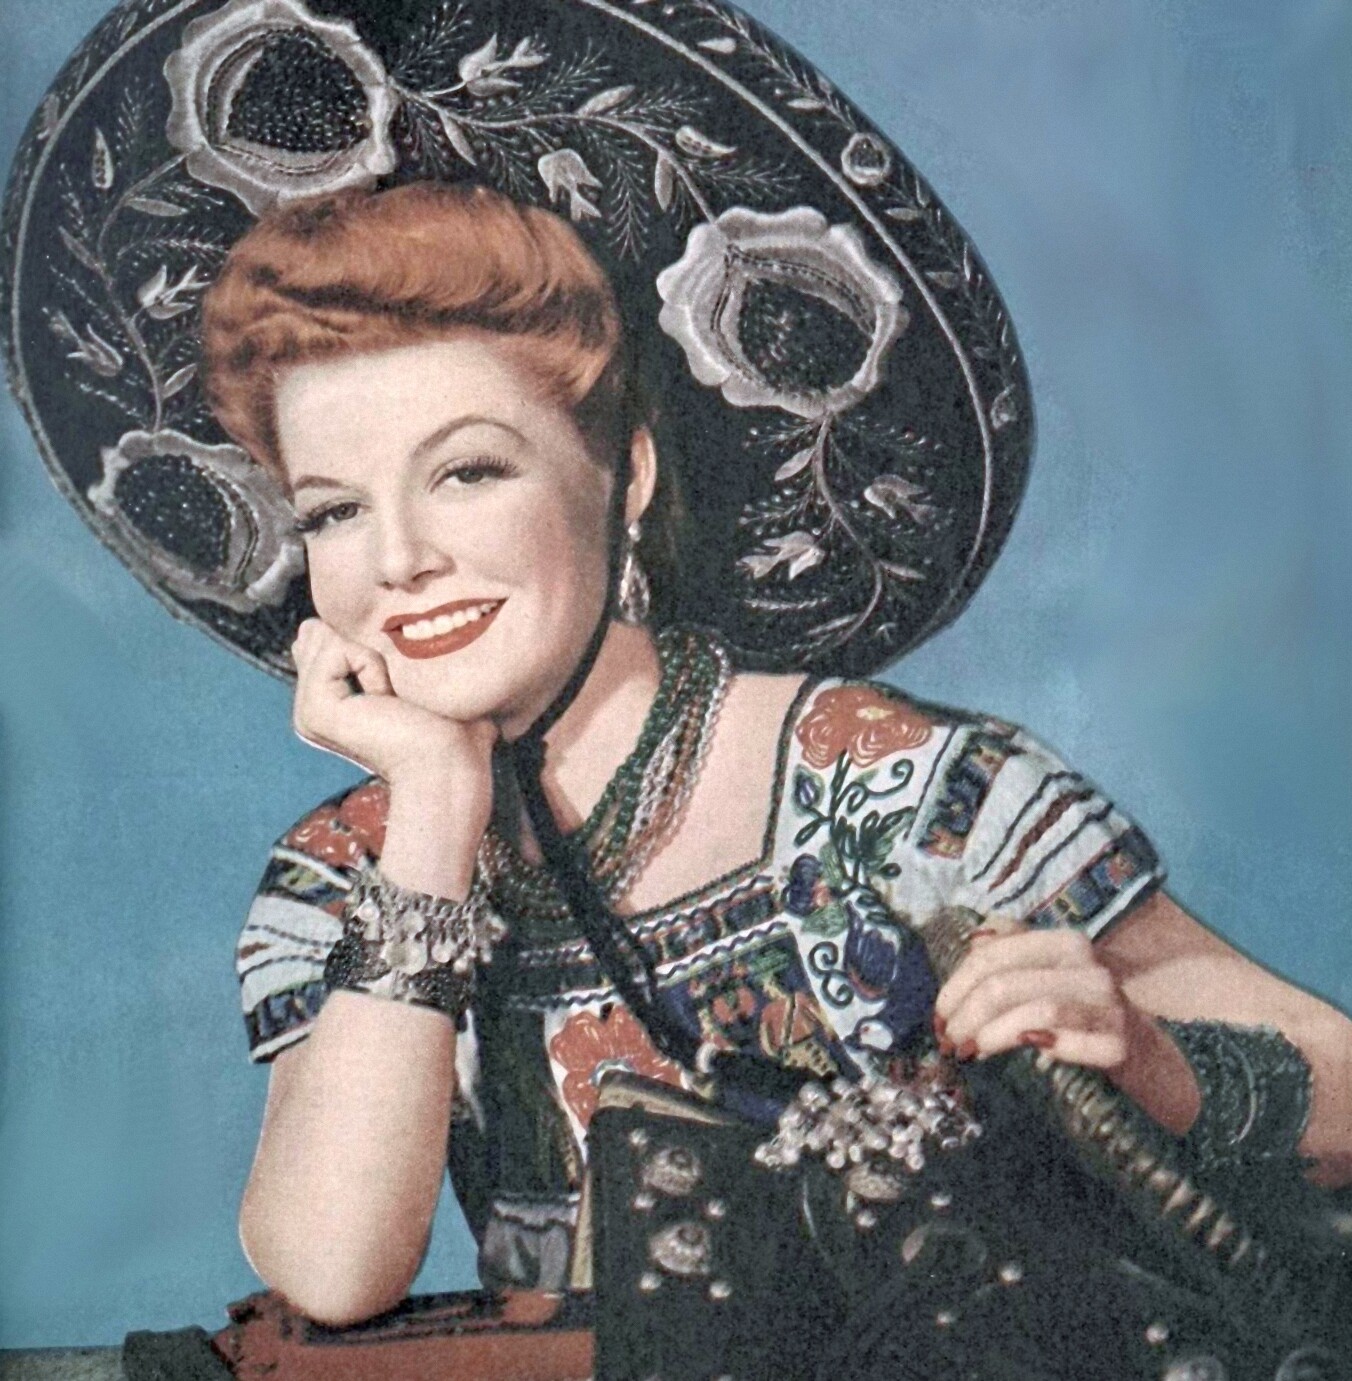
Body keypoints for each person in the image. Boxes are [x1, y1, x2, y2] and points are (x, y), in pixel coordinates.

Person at [198, 180, 1352, 1335]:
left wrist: (1155, 1067)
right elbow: (333, 1270)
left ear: (625, 476)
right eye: (334, 511)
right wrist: (436, 804)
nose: (397, 559)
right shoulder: (349, 870)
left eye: (465, 472)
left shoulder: (892, 786)